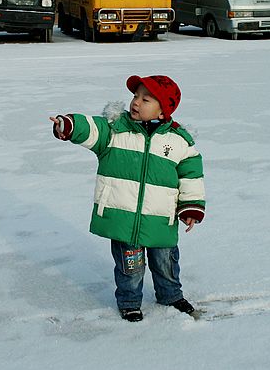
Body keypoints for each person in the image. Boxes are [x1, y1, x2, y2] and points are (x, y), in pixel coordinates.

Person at [50, 75, 205, 322]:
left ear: (163, 110)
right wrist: (69, 125)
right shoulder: (114, 129)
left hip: (160, 219)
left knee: (166, 263)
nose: (136, 102)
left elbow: (191, 175)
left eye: (145, 99)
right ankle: (130, 302)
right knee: (130, 268)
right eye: (135, 96)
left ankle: (171, 295)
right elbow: (92, 128)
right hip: (124, 218)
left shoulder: (179, 142)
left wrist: (191, 207)